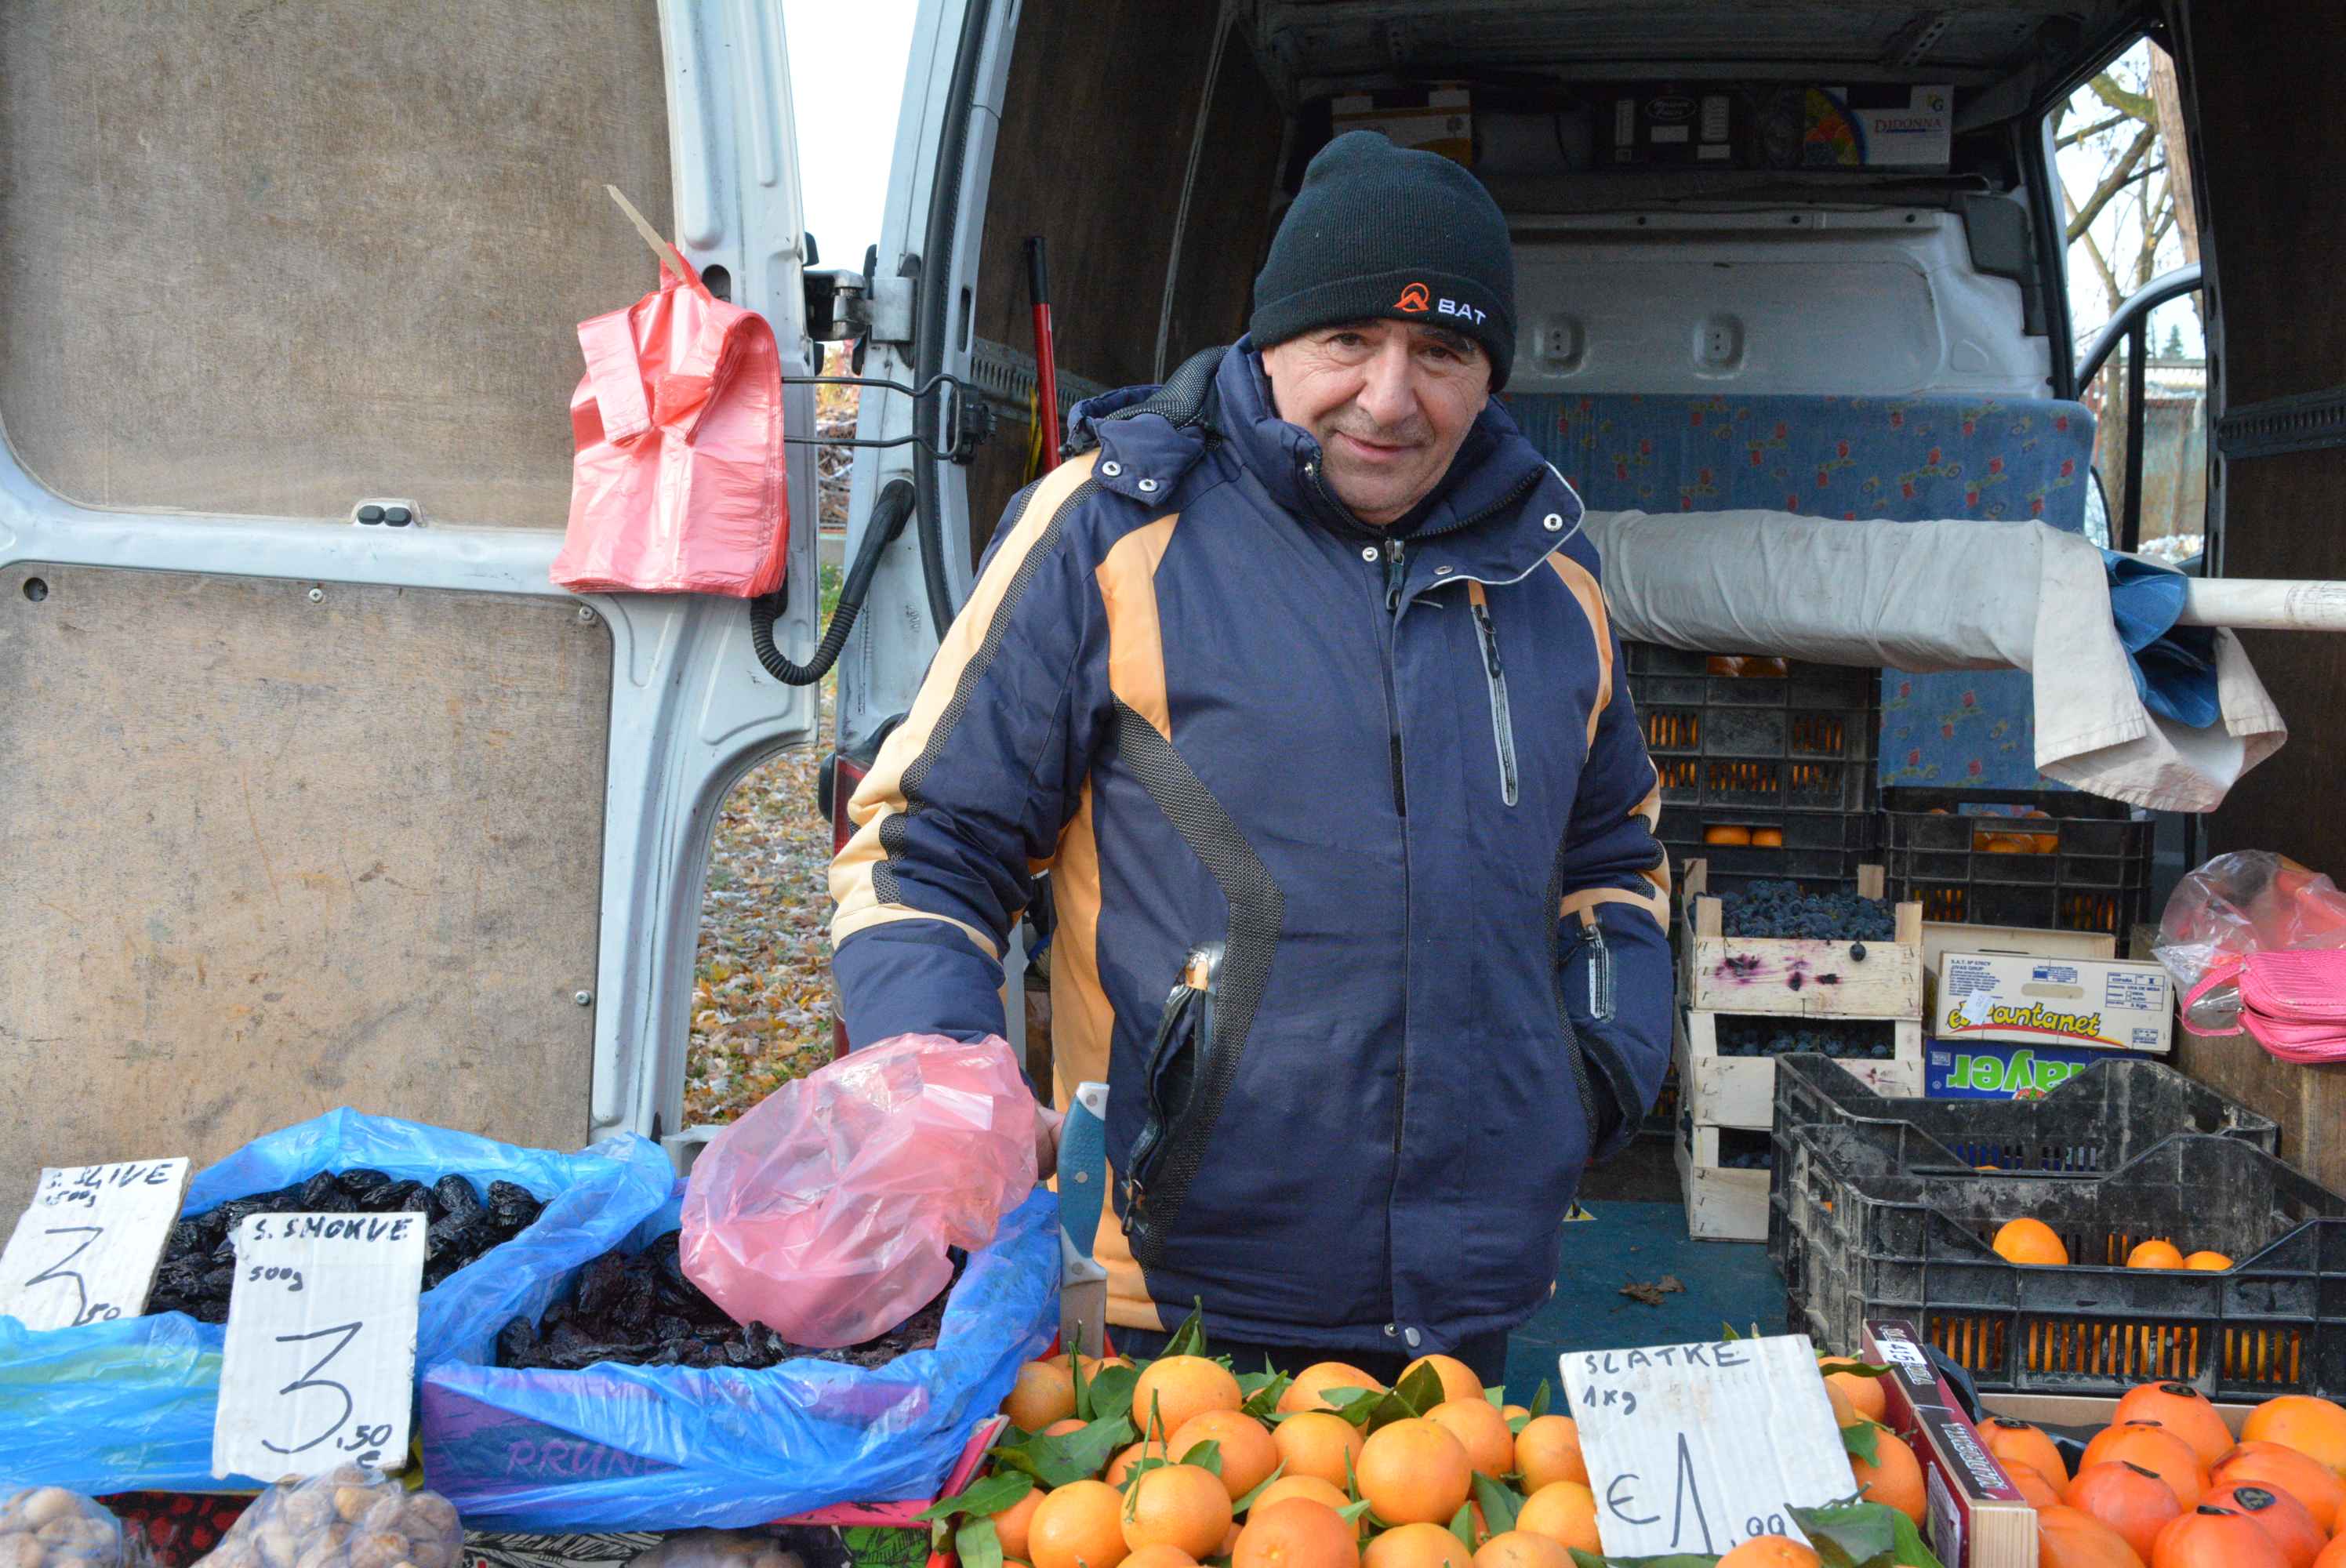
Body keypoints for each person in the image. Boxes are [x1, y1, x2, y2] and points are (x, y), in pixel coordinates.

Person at [830, 131, 1671, 1384]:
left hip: (1460, 1301)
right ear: (1267, 343)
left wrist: (1594, 1071)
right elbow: (923, 848)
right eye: (1348, 342)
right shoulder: (1108, 530)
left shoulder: (1552, 581)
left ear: (1487, 377)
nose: (1391, 398)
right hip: (1166, 1302)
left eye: (1441, 352)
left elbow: (1614, 856)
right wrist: (948, 1106)